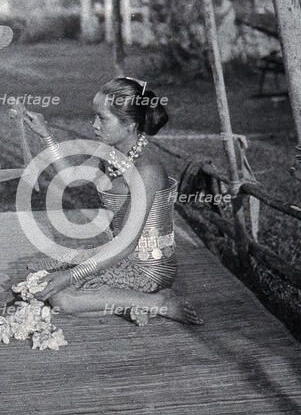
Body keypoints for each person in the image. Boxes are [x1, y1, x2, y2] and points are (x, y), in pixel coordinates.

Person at [22, 77, 203, 326]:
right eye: (94, 116)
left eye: (103, 118)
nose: (93, 125)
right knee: (38, 272)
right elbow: (72, 179)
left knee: (62, 297)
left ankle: (157, 302)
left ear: (129, 125)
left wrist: (69, 277)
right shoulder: (109, 154)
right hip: (117, 253)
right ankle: (130, 304)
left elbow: (128, 245)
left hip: (148, 267)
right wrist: (46, 135)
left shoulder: (146, 169)